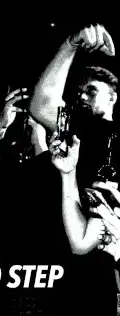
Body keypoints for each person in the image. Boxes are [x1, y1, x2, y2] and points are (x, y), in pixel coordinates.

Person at [28, 23, 118, 315]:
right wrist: (70, 45)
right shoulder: (82, 131)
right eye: (79, 92)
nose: (82, 96)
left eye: (92, 91)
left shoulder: (112, 134)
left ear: (113, 97)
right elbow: (42, 105)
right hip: (70, 252)